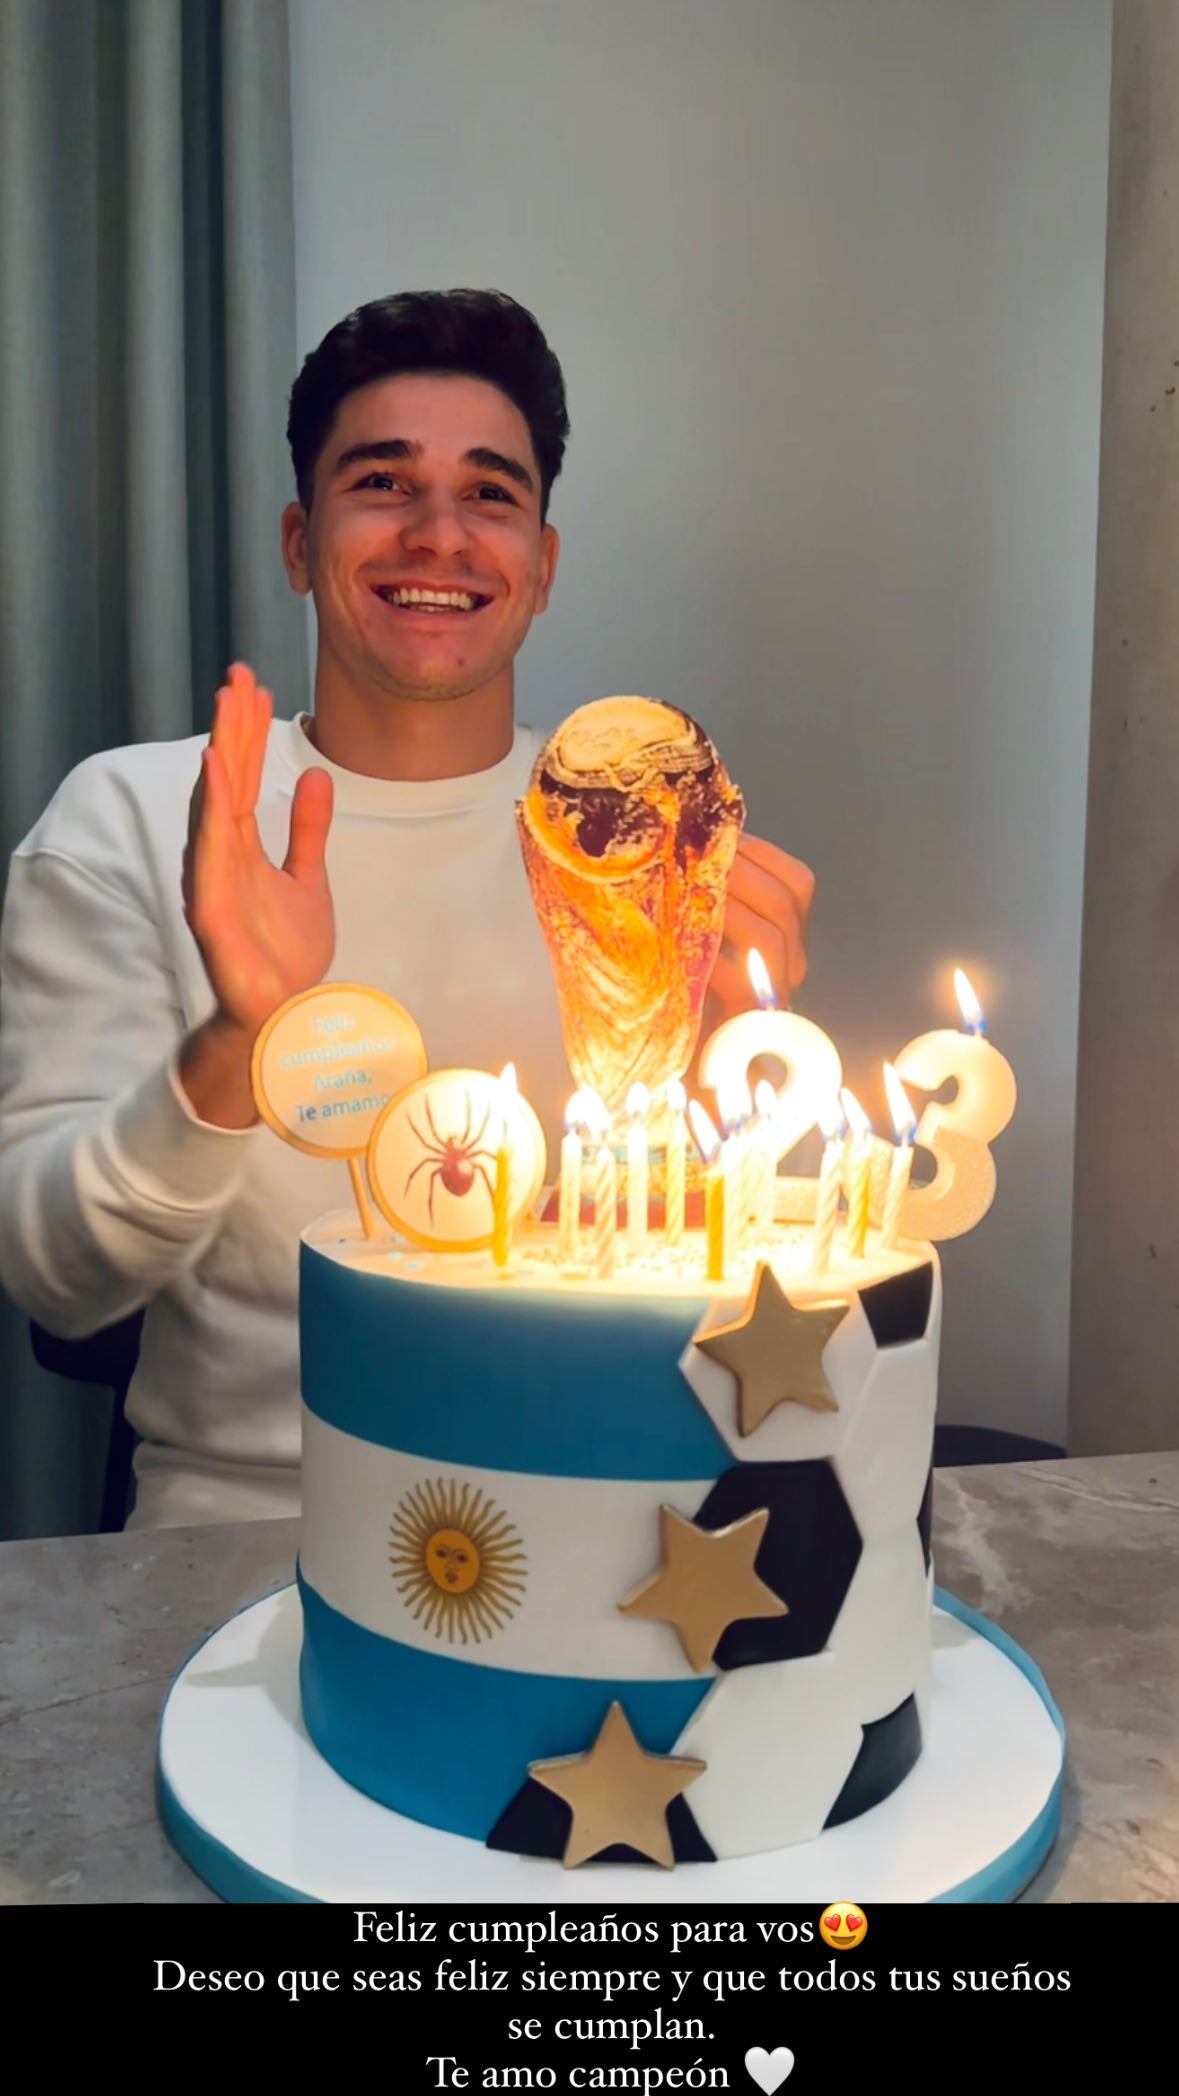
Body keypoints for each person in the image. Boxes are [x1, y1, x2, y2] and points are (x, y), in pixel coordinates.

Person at [0, 289, 814, 1530]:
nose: (440, 533)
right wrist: (235, 1039)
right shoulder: (135, 815)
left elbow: (699, 1290)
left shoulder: (638, 852)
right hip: (247, 1527)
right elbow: (56, 1278)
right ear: (296, 542)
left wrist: (726, 1068)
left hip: (605, 1510)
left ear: (541, 566)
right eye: (382, 481)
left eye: (491, 492)